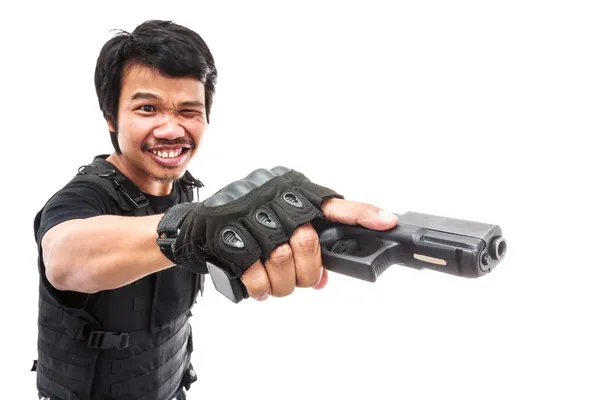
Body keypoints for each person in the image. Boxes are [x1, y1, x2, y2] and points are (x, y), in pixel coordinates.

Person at [31, 19, 399, 400]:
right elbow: (64, 257)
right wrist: (195, 228)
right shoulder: (81, 197)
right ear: (111, 117)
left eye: (189, 110)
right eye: (147, 108)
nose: (171, 129)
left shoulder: (184, 190)